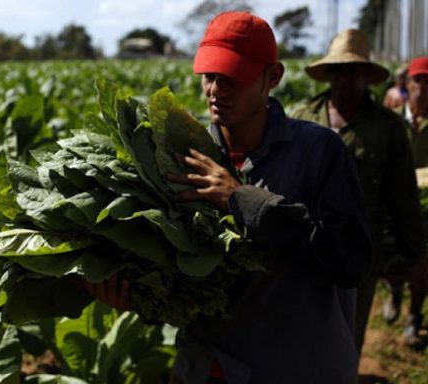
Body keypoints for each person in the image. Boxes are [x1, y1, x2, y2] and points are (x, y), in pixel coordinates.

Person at [163, 12, 371, 384]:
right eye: (209, 76)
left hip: (295, 367)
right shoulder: (187, 157)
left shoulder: (318, 151)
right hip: (207, 369)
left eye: (232, 78)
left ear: (271, 77)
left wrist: (243, 201)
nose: (215, 90)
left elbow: (350, 259)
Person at [291, 29, 426, 356]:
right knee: (297, 342)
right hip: (299, 251)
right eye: (339, 69)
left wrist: (417, 255)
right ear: (328, 73)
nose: (345, 77)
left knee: (345, 346)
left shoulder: (386, 128)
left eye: (354, 69)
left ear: (366, 74)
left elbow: (403, 198)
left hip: (359, 256)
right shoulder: (301, 118)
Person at [382, 56, 428, 348]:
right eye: (417, 81)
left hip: (426, 207)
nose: (422, 88)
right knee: (392, 257)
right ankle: (394, 291)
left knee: (423, 264)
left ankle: (414, 317)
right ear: (407, 84)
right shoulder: (394, 122)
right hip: (396, 204)